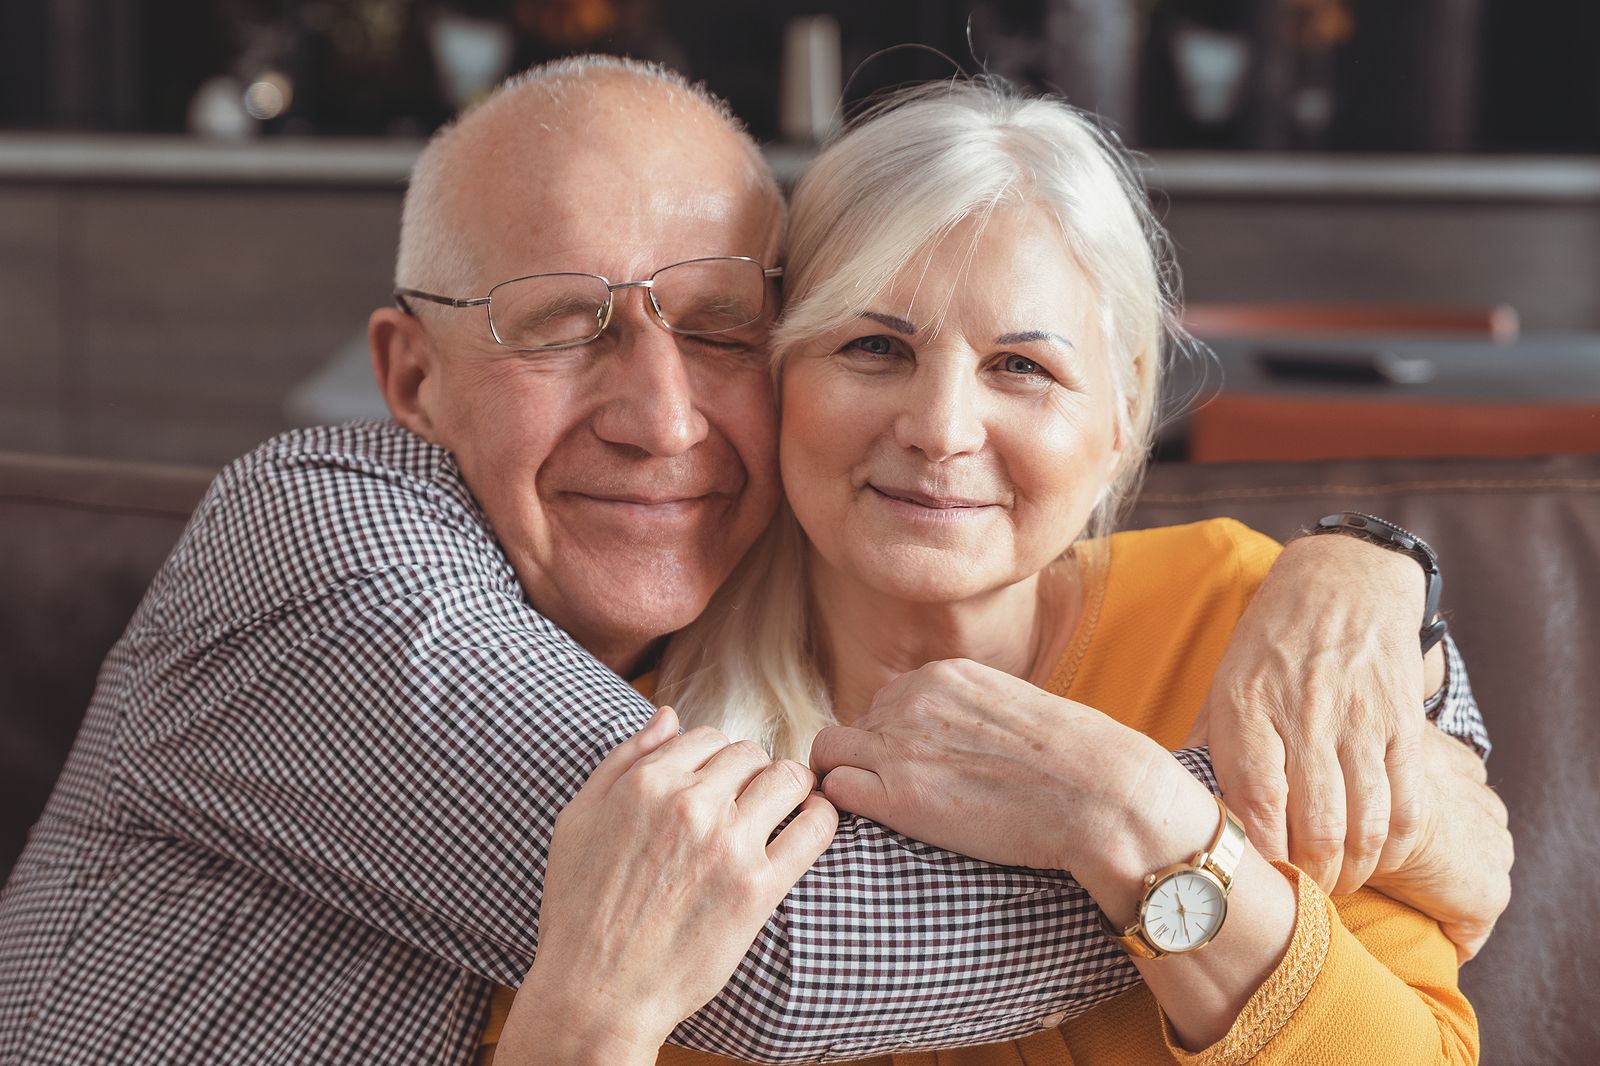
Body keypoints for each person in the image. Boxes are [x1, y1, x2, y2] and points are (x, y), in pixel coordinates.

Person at [0, 58, 1502, 1065]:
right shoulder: (580, 678)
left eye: (713, 327)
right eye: (871, 346)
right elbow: (783, 951)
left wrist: (1363, 583)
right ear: (409, 374)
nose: (661, 415)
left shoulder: (1265, 635)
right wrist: (1201, 825)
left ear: (1126, 414)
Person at [486, 80, 1508, 1064]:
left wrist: (1130, 811)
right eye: (874, 346)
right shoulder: (631, 733)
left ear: (1122, 411)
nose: (939, 430)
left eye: (1021, 366)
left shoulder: (1244, 623)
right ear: (775, 375)